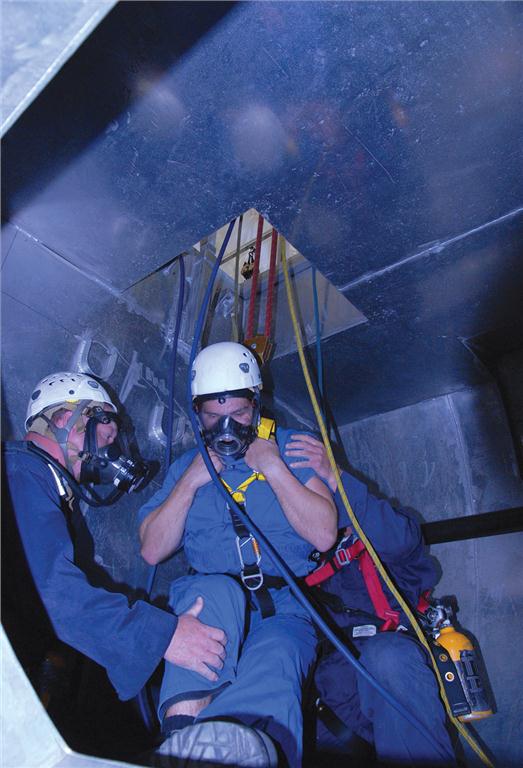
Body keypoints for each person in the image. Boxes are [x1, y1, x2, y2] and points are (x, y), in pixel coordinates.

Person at [138, 342, 338, 768]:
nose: (226, 423)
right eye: (213, 413)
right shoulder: (184, 468)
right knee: (209, 596)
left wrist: (273, 466)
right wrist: (190, 483)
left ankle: (245, 755)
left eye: (239, 411)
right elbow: (152, 549)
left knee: (280, 654)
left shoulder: (292, 448)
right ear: (198, 414)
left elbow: (323, 534)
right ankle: (180, 739)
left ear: (257, 405)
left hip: (286, 607)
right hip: (213, 600)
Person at [1, 372, 227, 718]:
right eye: (106, 434)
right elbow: (48, 590)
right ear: (64, 420)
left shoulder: (32, 479)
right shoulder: (21, 473)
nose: (110, 449)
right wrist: (163, 637)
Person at [285, 433, 458, 767]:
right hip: (328, 701)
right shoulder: (297, 559)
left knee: (387, 655)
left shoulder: (384, 542)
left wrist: (336, 479)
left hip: (393, 683)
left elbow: (401, 539)